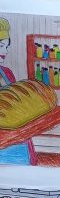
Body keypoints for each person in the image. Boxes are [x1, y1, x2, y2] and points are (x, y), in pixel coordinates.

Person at [0, 17, 37, 165]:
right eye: (1, 45)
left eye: (7, 46)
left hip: (19, 145)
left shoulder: (7, 73)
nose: (6, 51)